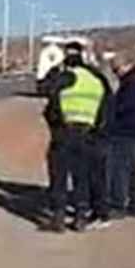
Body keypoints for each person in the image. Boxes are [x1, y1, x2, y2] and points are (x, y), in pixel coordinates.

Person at [42, 42, 114, 233]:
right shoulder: (97, 78)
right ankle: (81, 216)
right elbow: (107, 107)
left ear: (66, 57)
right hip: (88, 134)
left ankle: (58, 218)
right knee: (81, 176)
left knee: (59, 175)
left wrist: (53, 70)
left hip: (64, 132)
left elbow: (47, 91)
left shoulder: (66, 76)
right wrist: (97, 130)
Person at [107, 53, 135, 220]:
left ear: (126, 65)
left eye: (116, 69)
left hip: (127, 132)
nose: (115, 73)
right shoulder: (134, 81)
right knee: (133, 170)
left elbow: (124, 107)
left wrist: (109, 110)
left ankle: (118, 205)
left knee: (120, 169)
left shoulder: (133, 83)